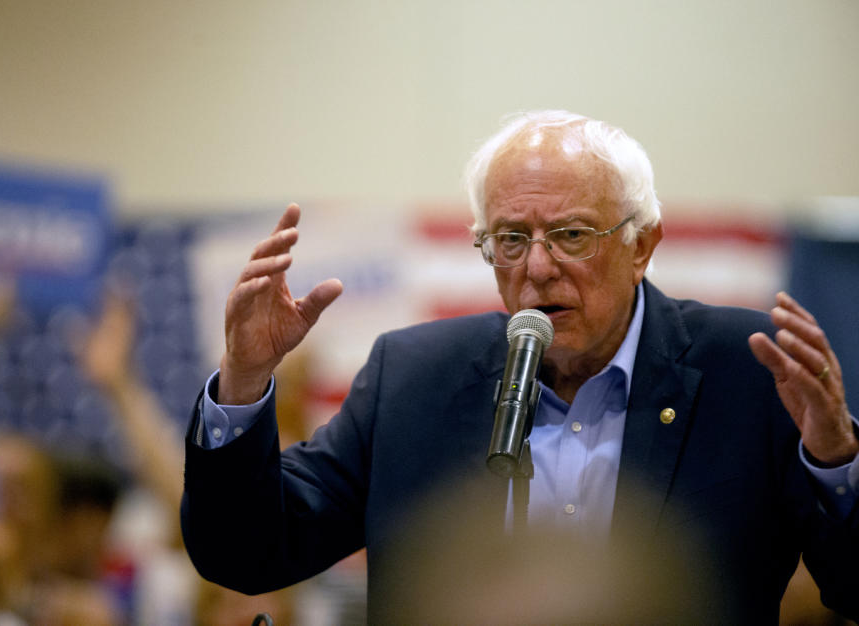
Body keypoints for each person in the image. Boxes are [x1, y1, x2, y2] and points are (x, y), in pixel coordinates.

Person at [181, 110, 859, 622]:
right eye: (511, 239)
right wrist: (243, 379)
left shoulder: (747, 371)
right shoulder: (413, 378)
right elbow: (247, 552)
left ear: (642, 246)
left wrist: (834, 461)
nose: (537, 267)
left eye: (570, 235)